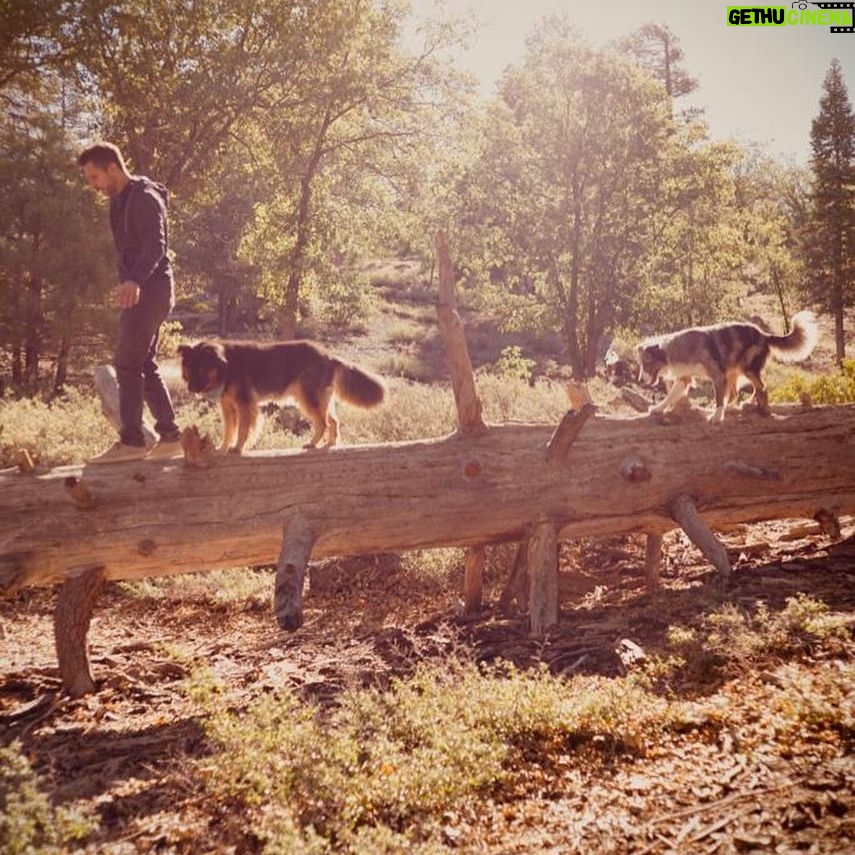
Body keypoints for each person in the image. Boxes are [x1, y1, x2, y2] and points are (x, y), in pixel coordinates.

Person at [78, 142, 182, 463]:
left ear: (113, 168)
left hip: (151, 290)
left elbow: (156, 246)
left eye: (94, 176)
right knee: (142, 362)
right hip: (139, 289)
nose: (92, 185)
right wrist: (126, 282)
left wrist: (134, 280)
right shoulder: (118, 201)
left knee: (126, 362)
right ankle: (170, 436)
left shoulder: (145, 198)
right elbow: (127, 249)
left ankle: (133, 441)